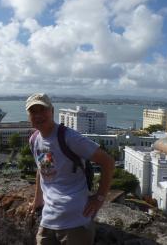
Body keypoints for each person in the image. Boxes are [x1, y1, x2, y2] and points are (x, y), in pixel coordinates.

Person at [26, 93, 115, 245]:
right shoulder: (35, 139)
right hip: (48, 218)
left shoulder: (69, 137)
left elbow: (108, 162)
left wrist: (100, 198)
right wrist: (37, 201)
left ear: (52, 111)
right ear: (29, 116)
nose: (39, 115)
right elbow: (44, 171)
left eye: (43, 110)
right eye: (34, 111)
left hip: (76, 221)